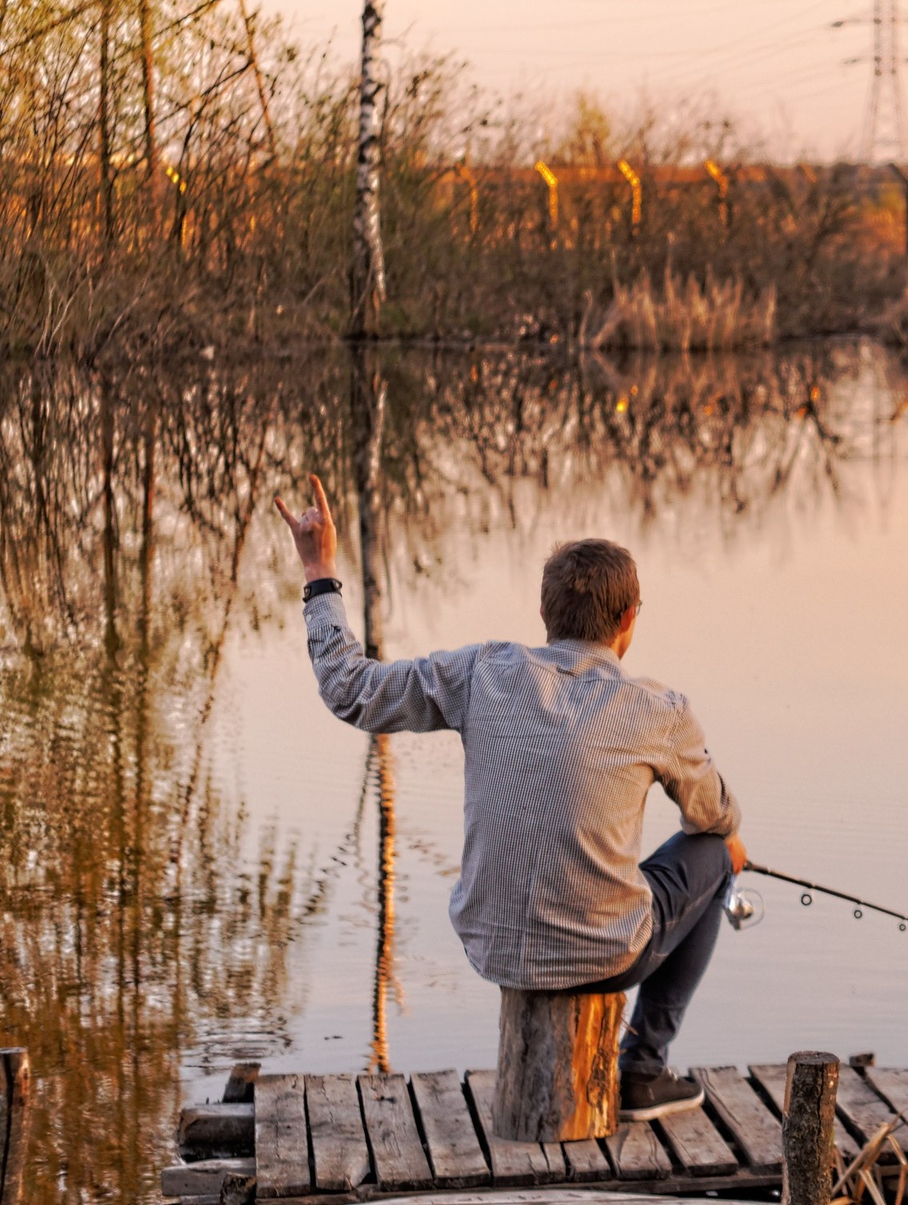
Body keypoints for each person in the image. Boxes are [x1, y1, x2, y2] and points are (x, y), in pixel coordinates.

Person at [274, 473, 743, 1120]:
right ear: (629, 619)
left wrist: (320, 569)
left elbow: (349, 689)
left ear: (546, 615)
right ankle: (643, 1067)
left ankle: (635, 1062)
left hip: (492, 947)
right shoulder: (657, 709)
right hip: (610, 953)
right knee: (716, 853)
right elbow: (713, 815)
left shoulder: (481, 673)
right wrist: (726, 833)